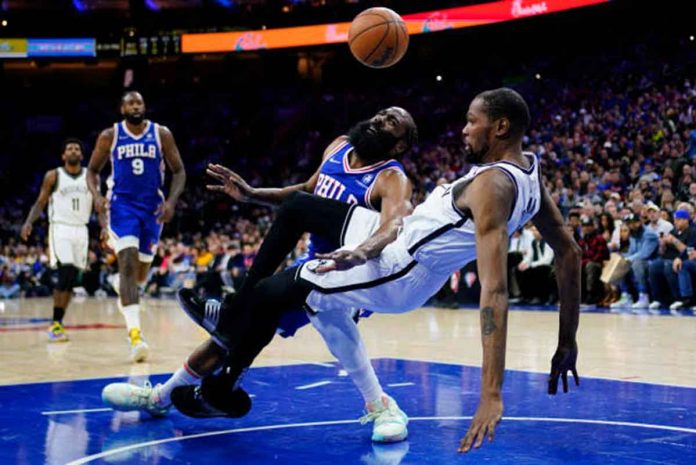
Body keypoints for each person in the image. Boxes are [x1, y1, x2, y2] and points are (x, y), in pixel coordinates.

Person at [174, 88, 580, 452]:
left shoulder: (494, 185)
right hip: (396, 235)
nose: (463, 130)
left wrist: (491, 393)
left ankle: (224, 387)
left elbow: (494, 293)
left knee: (274, 294)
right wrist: (567, 341)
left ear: (501, 126)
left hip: (402, 268)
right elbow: (568, 254)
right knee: (298, 208)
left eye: (472, 121)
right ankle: (232, 316)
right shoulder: (529, 172)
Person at [103, 107, 419, 442]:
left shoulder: (391, 178)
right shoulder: (338, 146)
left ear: (398, 146)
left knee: (285, 316)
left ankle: (381, 405)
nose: (379, 121)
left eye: (391, 123)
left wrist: (361, 252)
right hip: (309, 265)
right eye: (382, 114)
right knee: (242, 326)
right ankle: (166, 396)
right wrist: (253, 195)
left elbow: (393, 226)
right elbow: (304, 193)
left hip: (350, 274)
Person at [87, 91, 186, 362]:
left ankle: (123, 284)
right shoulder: (110, 135)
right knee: (128, 264)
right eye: (130, 103)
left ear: (145, 106)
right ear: (122, 109)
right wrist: (96, 196)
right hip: (122, 206)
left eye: (139, 102)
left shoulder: (161, 134)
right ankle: (135, 336)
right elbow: (92, 170)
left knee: (139, 274)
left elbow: (179, 170)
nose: (135, 106)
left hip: (152, 208)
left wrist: (172, 202)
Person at [20, 138, 93, 342]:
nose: (73, 151)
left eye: (77, 148)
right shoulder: (53, 175)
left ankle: (58, 323)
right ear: (63, 155)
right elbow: (40, 202)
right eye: (69, 148)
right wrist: (28, 222)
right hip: (60, 227)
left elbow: (98, 203)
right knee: (66, 270)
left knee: (71, 280)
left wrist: (105, 227)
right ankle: (55, 324)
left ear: (81, 155)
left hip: (82, 230)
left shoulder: (90, 176)